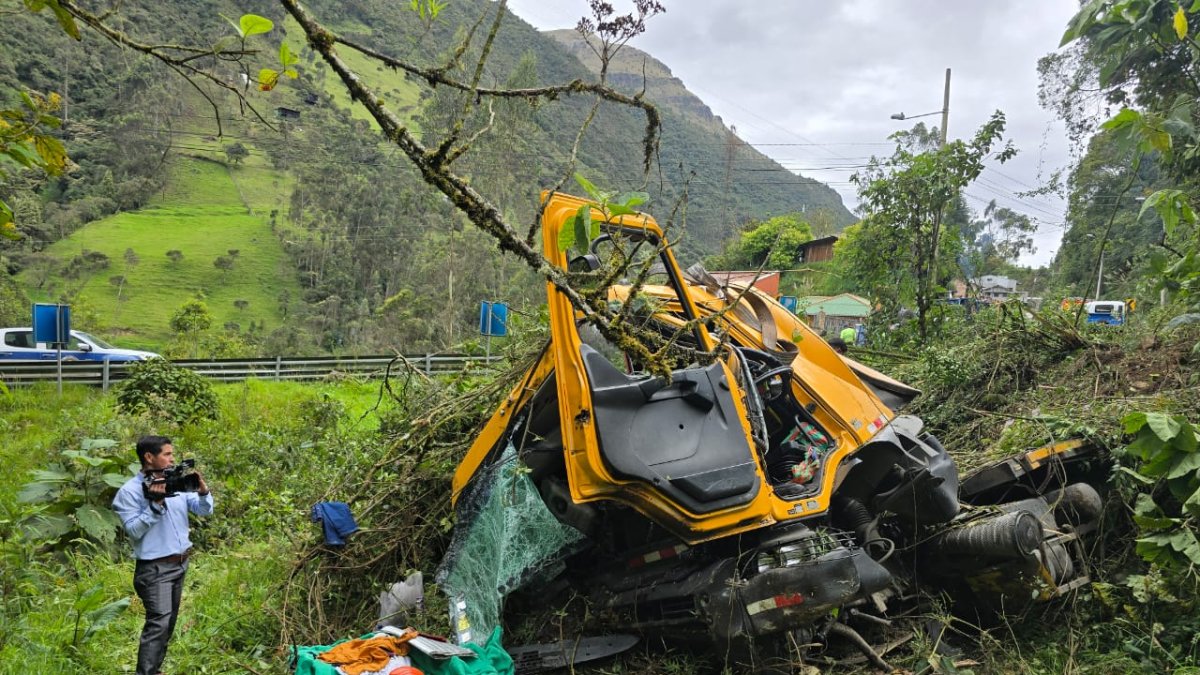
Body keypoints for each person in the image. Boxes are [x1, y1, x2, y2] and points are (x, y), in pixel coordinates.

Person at [112, 436, 213, 675]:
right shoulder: (129, 492)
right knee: (158, 623)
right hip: (154, 568)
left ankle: (155, 670)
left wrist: (203, 492)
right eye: (167, 454)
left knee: (168, 623)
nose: (172, 458)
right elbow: (134, 531)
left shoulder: (175, 484)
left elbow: (204, 510)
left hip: (180, 563)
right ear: (149, 457)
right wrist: (155, 505)